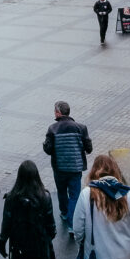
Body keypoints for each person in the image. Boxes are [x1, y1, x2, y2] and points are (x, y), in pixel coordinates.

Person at [43, 100, 92, 235]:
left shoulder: (53, 129)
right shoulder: (81, 128)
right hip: (75, 169)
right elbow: (89, 148)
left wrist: (45, 144)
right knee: (74, 196)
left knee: (62, 191)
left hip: (59, 168)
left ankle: (64, 213)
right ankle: (72, 224)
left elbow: (48, 149)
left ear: (58, 113)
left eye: (55, 111)